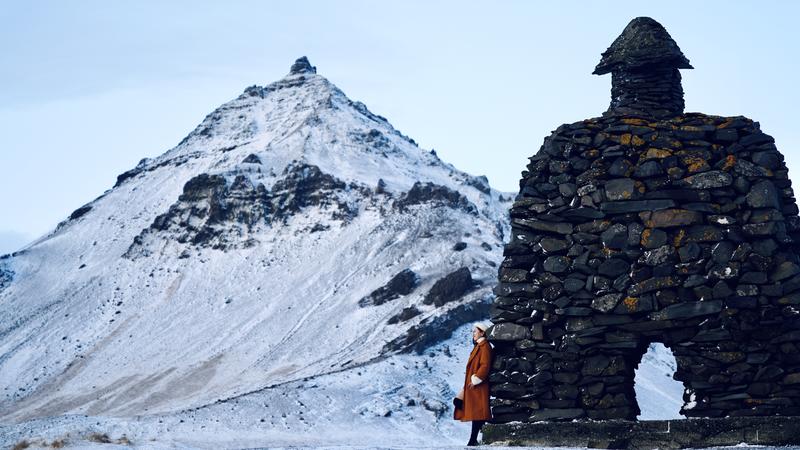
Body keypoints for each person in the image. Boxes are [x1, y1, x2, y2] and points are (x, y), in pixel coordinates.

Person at [453, 322, 493, 446]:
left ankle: (473, 440)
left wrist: (476, 378)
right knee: (459, 402)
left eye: (475, 331)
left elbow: (485, 365)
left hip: (478, 385)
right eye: (473, 332)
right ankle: (477, 435)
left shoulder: (485, 347)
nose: (473, 334)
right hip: (472, 385)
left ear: (482, 332)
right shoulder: (478, 346)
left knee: (478, 413)